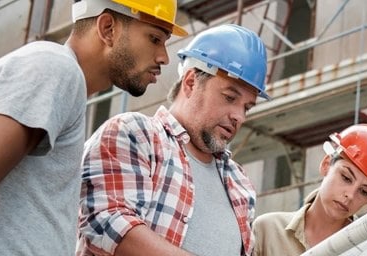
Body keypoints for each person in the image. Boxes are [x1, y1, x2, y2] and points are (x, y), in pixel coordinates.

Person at [0, 0, 187, 255]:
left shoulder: (60, 81)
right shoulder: (55, 69)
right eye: (154, 38)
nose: (164, 56)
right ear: (108, 27)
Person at [76, 24, 268, 256]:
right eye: (229, 97)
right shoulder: (136, 134)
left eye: (247, 107)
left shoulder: (240, 183)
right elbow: (108, 225)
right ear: (190, 82)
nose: (239, 115)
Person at [252, 124, 367, 256]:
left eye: (364, 192)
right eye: (346, 177)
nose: (350, 195)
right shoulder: (268, 229)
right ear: (326, 164)